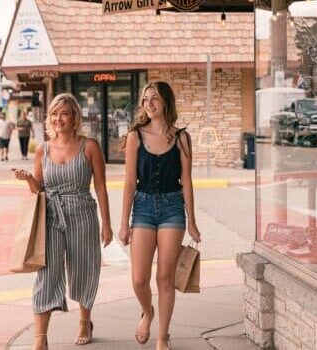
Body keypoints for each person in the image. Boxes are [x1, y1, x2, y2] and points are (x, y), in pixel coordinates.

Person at [13, 93, 113, 350]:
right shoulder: (43, 149)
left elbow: (100, 187)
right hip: (52, 217)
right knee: (48, 274)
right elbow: (40, 190)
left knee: (84, 268)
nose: (58, 119)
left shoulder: (89, 146)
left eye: (64, 113)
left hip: (82, 212)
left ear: (75, 117)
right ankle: (40, 339)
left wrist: (107, 223)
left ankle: (84, 320)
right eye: (54, 114)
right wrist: (28, 180)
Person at [119, 82, 202, 350]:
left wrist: (192, 221)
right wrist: (123, 223)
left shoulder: (181, 138)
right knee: (139, 279)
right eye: (145, 100)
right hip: (142, 207)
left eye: (155, 98)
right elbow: (130, 182)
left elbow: (187, 181)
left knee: (165, 278)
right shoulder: (134, 137)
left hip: (172, 207)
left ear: (166, 101)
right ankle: (148, 311)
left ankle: (162, 337)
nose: (149, 103)